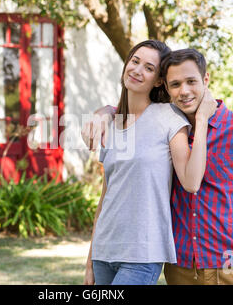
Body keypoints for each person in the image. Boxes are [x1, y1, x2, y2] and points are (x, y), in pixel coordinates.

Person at [82, 48, 233, 285]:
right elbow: (134, 119)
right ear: (165, 88)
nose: (184, 91)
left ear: (206, 79)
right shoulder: (167, 126)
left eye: (191, 82)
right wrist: (105, 111)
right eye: (175, 84)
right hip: (181, 269)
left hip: (232, 266)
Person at [83, 40, 217, 285]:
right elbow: (105, 198)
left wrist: (202, 119)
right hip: (104, 251)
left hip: (142, 253)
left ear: (158, 80)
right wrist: (90, 261)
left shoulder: (168, 117)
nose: (137, 70)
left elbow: (191, 181)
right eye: (135, 61)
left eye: (148, 67)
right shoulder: (112, 124)